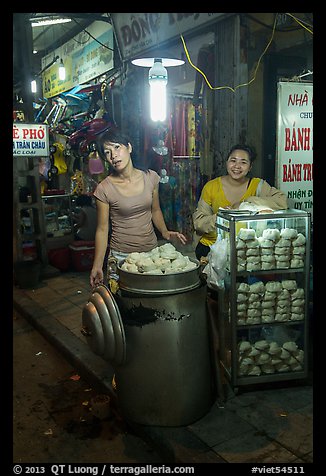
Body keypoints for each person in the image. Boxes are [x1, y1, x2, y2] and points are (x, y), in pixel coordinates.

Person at [90, 129, 187, 288]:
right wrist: (97, 265)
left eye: (117, 147)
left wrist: (165, 232)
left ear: (129, 147)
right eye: (107, 153)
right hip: (121, 257)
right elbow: (102, 229)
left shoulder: (150, 177)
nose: (113, 155)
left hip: (151, 254)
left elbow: (155, 210)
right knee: (124, 305)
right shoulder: (104, 189)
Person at [193, 144, 288, 260]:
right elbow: (199, 222)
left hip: (246, 250)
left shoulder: (257, 185)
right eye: (233, 161)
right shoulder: (211, 187)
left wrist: (246, 203)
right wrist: (222, 218)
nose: (237, 166)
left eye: (243, 162)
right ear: (227, 162)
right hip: (211, 248)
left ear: (250, 167)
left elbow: (282, 201)